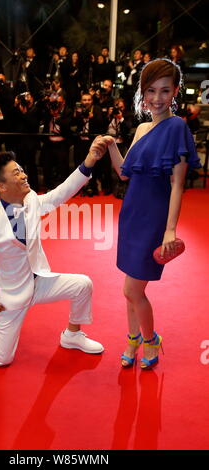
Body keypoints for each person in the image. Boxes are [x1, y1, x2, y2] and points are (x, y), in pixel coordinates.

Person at [0, 139, 108, 366]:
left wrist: (89, 162)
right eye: (16, 173)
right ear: (1, 186)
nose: (24, 175)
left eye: (21, 170)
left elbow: (61, 193)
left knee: (83, 285)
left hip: (39, 282)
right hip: (10, 296)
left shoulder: (32, 202)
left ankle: (72, 335)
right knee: (2, 359)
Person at [106, 58, 201, 370]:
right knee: (130, 290)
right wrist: (109, 145)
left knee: (132, 289)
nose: (157, 98)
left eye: (164, 90)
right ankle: (133, 339)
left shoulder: (177, 127)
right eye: (151, 91)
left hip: (154, 219)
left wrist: (170, 229)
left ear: (175, 91)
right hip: (132, 213)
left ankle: (149, 340)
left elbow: (177, 184)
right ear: (142, 93)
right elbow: (124, 173)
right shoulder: (143, 128)